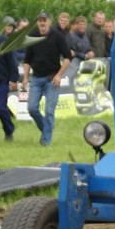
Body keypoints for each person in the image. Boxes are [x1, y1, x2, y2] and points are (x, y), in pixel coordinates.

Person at [21, 11, 71, 146]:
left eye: (44, 20)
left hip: (52, 79)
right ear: (37, 22)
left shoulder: (57, 36)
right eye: (40, 20)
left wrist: (59, 75)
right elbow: (27, 60)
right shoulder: (32, 36)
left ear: (49, 21)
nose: (42, 23)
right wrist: (25, 78)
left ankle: (45, 141)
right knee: (32, 108)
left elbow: (68, 57)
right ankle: (47, 129)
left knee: (49, 111)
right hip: (36, 78)